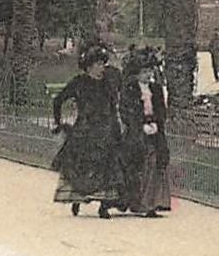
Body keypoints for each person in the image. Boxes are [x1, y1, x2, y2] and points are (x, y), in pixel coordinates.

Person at [50, 43, 126, 218]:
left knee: (108, 168)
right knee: (82, 167)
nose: (101, 68)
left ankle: (104, 206)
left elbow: (116, 104)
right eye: (97, 64)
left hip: (107, 130)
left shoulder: (109, 82)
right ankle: (77, 199)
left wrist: (118, 124)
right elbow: (59, 100)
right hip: (86, 131)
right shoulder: (79, 83)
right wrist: (58, 122)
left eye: (102, 64)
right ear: (89, 66)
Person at [119, 51, 171, 217]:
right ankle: (138, 202)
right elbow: (126, 112)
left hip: (154, 132)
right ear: (136, 73)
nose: (148, 75)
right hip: (136, 133)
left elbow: (162, 109)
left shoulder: (156, 89)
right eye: (144, 72)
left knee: (154, 163)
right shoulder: (130, 89)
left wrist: (157, 122)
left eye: (150, 71)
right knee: (138, 165)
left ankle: (152, 203)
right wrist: (140, 126)